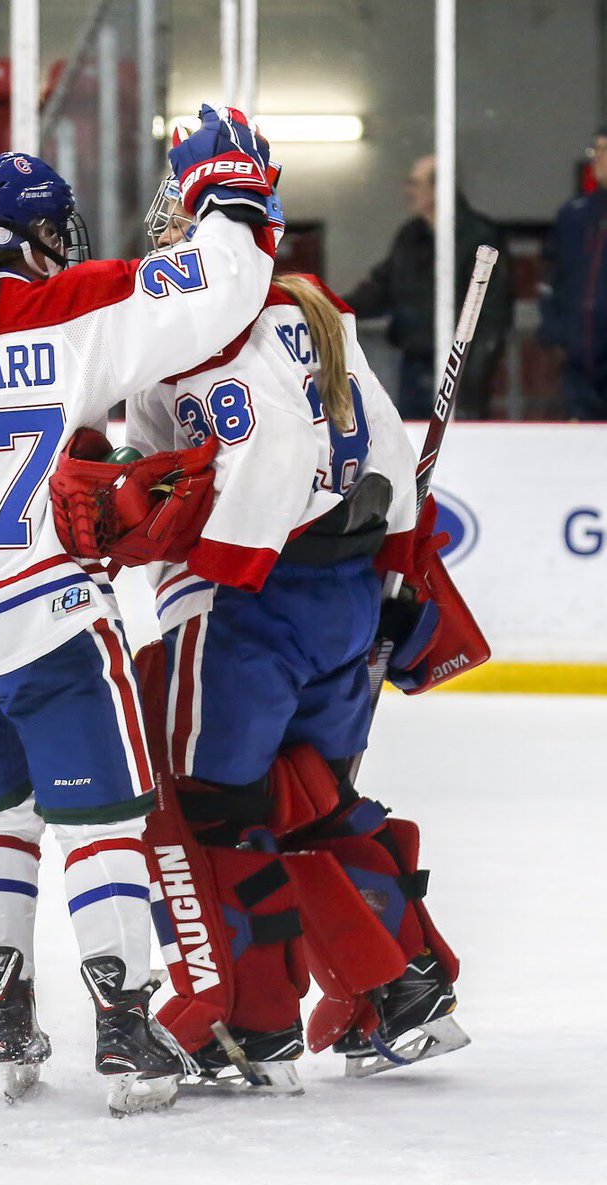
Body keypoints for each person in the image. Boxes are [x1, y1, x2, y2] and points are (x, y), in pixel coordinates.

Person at [0, 106, 277, 1114]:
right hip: (44, 624)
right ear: (40, 237)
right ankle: (124, 1039)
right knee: (102, 828)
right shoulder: (76, 304)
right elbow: (217, 292)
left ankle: (7, 1036)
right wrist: (229, 191)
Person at [118, 174, 474, 1086]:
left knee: (209, 812)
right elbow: (388, 456)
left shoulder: (183, 331)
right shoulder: (317, 311)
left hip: (241, 607)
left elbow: (177, 476)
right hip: (347, 598)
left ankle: (246, 1022)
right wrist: (396, 573)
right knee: (311, 801)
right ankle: (405, 983)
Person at [344, 154, 511, 419]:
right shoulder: (410, 235)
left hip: (459, 367)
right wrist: (331, 306)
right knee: (414, 436)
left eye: (415, 183)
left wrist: (476, 367)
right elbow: (380, 289)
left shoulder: (479, 237)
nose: (408, 191)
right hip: (415, 361)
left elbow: (491, 311)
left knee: (459, 441)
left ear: (439, 187)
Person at [539, 123, 607, 420]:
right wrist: (557, 333)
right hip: (579, 359)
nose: (598, 158)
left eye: (606, 151)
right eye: (597, 150)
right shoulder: (574, 216)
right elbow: (551, 279)